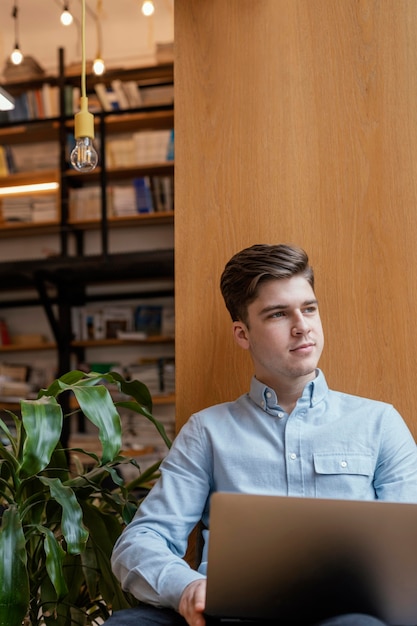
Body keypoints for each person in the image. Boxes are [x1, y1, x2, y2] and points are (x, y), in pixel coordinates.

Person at [109, 243, 417, 626]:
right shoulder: (207, 432)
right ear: (243, 334)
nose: (302, 325)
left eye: (309, 308)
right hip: (229, 615)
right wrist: (187, 587)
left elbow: (410, 551)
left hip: (342, 616)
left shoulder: (379, 423)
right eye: (278, 314)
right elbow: (139, 543)